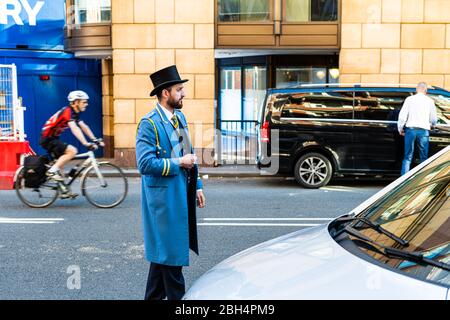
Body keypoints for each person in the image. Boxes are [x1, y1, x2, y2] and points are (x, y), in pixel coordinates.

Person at [136, 65, 206, 300]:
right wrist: (178, 162)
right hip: (164, 204)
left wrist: (197, 186)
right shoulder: (149, 123)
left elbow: (189, 152)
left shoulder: (180, 117)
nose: (184, 93)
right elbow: (144, 164)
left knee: (162, 263)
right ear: (165, 93)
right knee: (172, 263)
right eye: (179, 89)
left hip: (180, 196)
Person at [40, 90, 105, 183]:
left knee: (60, 165)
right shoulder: (67, 112)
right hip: (47, 139)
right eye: (84, 102)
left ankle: (63, 190)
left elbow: (84, 126)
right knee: (73, 151)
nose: (86, 104)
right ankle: (51, 172)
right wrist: (85, 143)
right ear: (75, 103)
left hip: (53, 138)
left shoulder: (74, 113)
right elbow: (74, 128)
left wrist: (95, 140)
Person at [398, 82, 438, 175]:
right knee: (423, 157)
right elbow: (433, 118)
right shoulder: (430, 101)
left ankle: (403, 181)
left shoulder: (409, 99)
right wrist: (433, 125)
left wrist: (400, 128)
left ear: (416, 89)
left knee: (407, 156)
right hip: (423, 131)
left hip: (410, 130)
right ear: (426, 90)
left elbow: (402, 116)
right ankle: (422, 179)